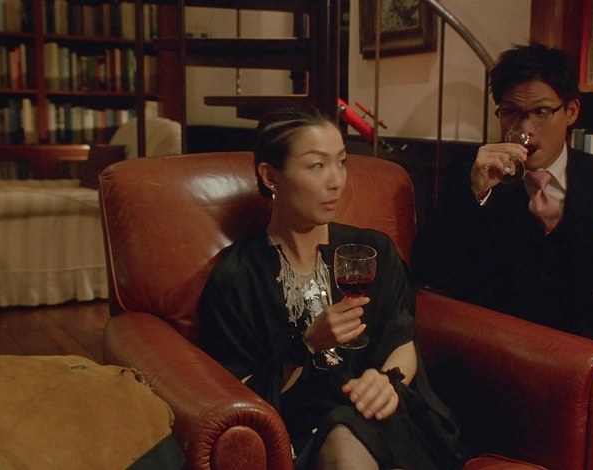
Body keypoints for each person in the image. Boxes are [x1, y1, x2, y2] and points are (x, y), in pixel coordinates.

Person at [411, 42, 593, 467]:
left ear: (571, 111)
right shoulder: (473, 172)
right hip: (498, 360)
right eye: (511, 112)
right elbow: (427, 267)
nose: (525, 128)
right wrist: (475, 193)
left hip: (579, 357)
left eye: (541, 112)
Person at [198, 106, 466, 469]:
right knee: (341, 437)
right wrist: (307, 344)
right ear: (270, 176)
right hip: (303, 429)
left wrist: (386, 381)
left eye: (341, 162)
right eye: (316, 165)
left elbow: (401, 337)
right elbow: (240, 391)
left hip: (384, 412)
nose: (336, 181)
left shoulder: (371, 251)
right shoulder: (238, 276)